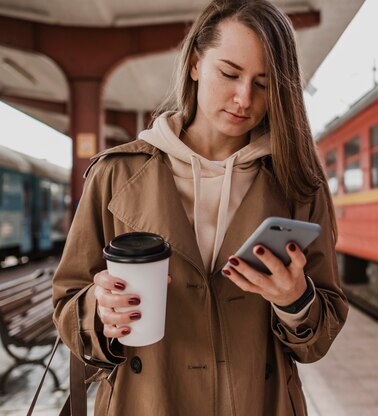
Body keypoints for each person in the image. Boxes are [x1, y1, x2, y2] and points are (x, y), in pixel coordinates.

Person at [51, 0, 348, 414]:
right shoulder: (115, 174)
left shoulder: (298, 183)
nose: (244, 97)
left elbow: (320, 335)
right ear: (194, 64)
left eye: (263, 84)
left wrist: (296, 300)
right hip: (147, 401)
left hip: (258, 403)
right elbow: (67, 304)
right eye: (229, 73)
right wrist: (99, 312)